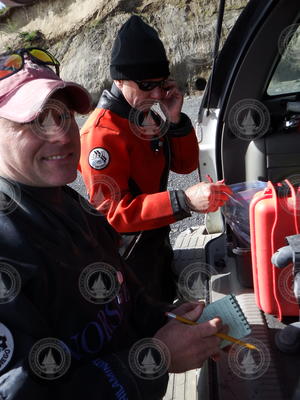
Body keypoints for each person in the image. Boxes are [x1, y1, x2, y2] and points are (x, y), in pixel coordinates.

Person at [0, 48, 226, 399]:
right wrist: (155, 355)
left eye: (63, 116)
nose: (61, 134)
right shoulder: (8, 248)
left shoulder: (65, 200)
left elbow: (119, 288)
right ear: (121, 81)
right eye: (35, 120)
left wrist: (162, 318)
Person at [79, 15, 231, 303]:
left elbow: (184, 165)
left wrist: (174, 120)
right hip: (128, 257)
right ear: (119, 79)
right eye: (147, 85)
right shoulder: (101, 135)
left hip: (156, 241)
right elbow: (114, 215)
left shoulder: (144, 112)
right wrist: (182, 201)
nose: (157, 93)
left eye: (162, 84)